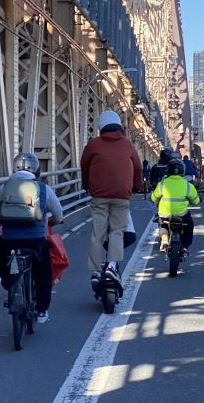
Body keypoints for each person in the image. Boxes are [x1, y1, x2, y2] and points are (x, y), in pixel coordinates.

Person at [0, 153, 64, 323]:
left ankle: (10, 284)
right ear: (37, 170)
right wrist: (54, 221)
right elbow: (58, 214)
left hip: (9, 240)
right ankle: (42, 310)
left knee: (1, 261)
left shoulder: (6, 188)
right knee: (44, 272)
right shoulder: (44, 188)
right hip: (35, 240)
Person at [80, 110, 143, 289]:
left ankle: (95, 271)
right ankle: (112, 267)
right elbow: (138, 168)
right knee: (117, 232)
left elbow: (84, 166)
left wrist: (87, 185)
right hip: (121, 196)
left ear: (101, 127)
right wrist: (135, 187)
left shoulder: (93, 144)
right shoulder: (127, 145)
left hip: (99, 195)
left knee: (98, 233)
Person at [151, 159, 200, 254]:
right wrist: (196, 200)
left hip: (165, 213)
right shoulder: (188, 185)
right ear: (183, 171)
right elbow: (196, 201)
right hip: (181, 214)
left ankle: (164, 239)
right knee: (189, 225)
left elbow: (153, 198)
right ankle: (185, 245)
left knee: (163, 225)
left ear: (168, 170)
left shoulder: (162, 184)